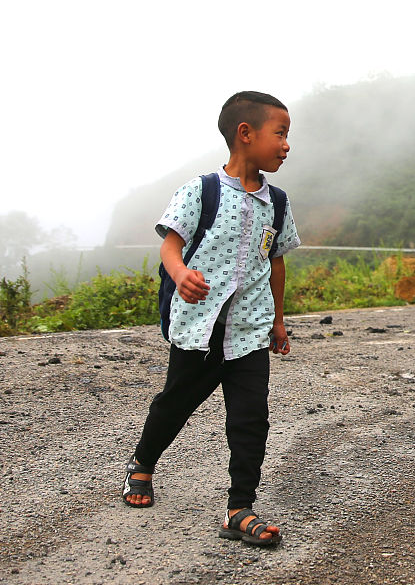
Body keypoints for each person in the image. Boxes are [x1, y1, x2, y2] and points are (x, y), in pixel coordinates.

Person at [121, 91, 301, 547]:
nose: (285, 145)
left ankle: (240, 508)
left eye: (287, 136)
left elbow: (275, 262)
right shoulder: (202, 190)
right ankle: (142, 464)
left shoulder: (277, 202)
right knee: (175, 404)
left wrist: (278, 320)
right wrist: (180, 274)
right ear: (246, 134)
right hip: (200, 329)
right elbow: (170, 243)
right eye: (279, 134)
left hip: (249, 332)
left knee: (250, 418)